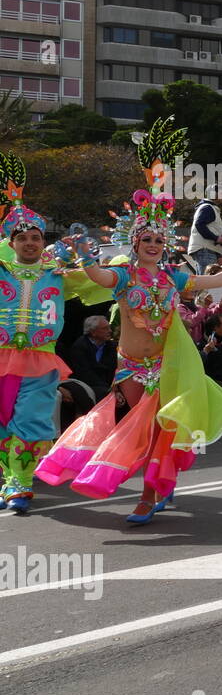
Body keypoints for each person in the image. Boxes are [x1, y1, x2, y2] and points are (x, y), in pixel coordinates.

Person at [36, 118, 222, 522]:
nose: (152, 244)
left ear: (165, 244)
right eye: (146, 239)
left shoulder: (172, 276)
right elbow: (96, 277)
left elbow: (215, 278)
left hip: (168, 365)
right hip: (130, 366)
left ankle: (149, 496)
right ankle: (159, 483)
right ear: (134, 243)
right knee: (142, 432)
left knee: (162, 429)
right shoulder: (124, 274)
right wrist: (85, 256)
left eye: (158, 240)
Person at [0, 155, 111, 512]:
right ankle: (8, 479)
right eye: (23, 238)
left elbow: (104, 280)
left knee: (31, 422)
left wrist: (84, 257)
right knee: (2, 422)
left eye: (36, 237)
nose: (31, 242)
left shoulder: (58, 274)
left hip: (41, 361)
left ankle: (20, 483)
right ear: (12, 242)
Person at [67, 315, 118, 402]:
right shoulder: (80, 346)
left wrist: (115, 388)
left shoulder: (113, 346)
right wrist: (109, 390)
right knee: (104, 394)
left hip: (109, 385)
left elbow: (114, 369)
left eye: (109, 328)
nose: (110, 331)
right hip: (87, 384)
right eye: (105, 328)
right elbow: (85, 373)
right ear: (93, 332)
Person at [187, 190, 222, 272]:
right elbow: (199, 224)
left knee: (204, 281)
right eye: (221, 193)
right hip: (206, 250)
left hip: (205, 249)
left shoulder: (209, 208)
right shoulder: (208, 208)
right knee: (207, 281)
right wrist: (216, 238)